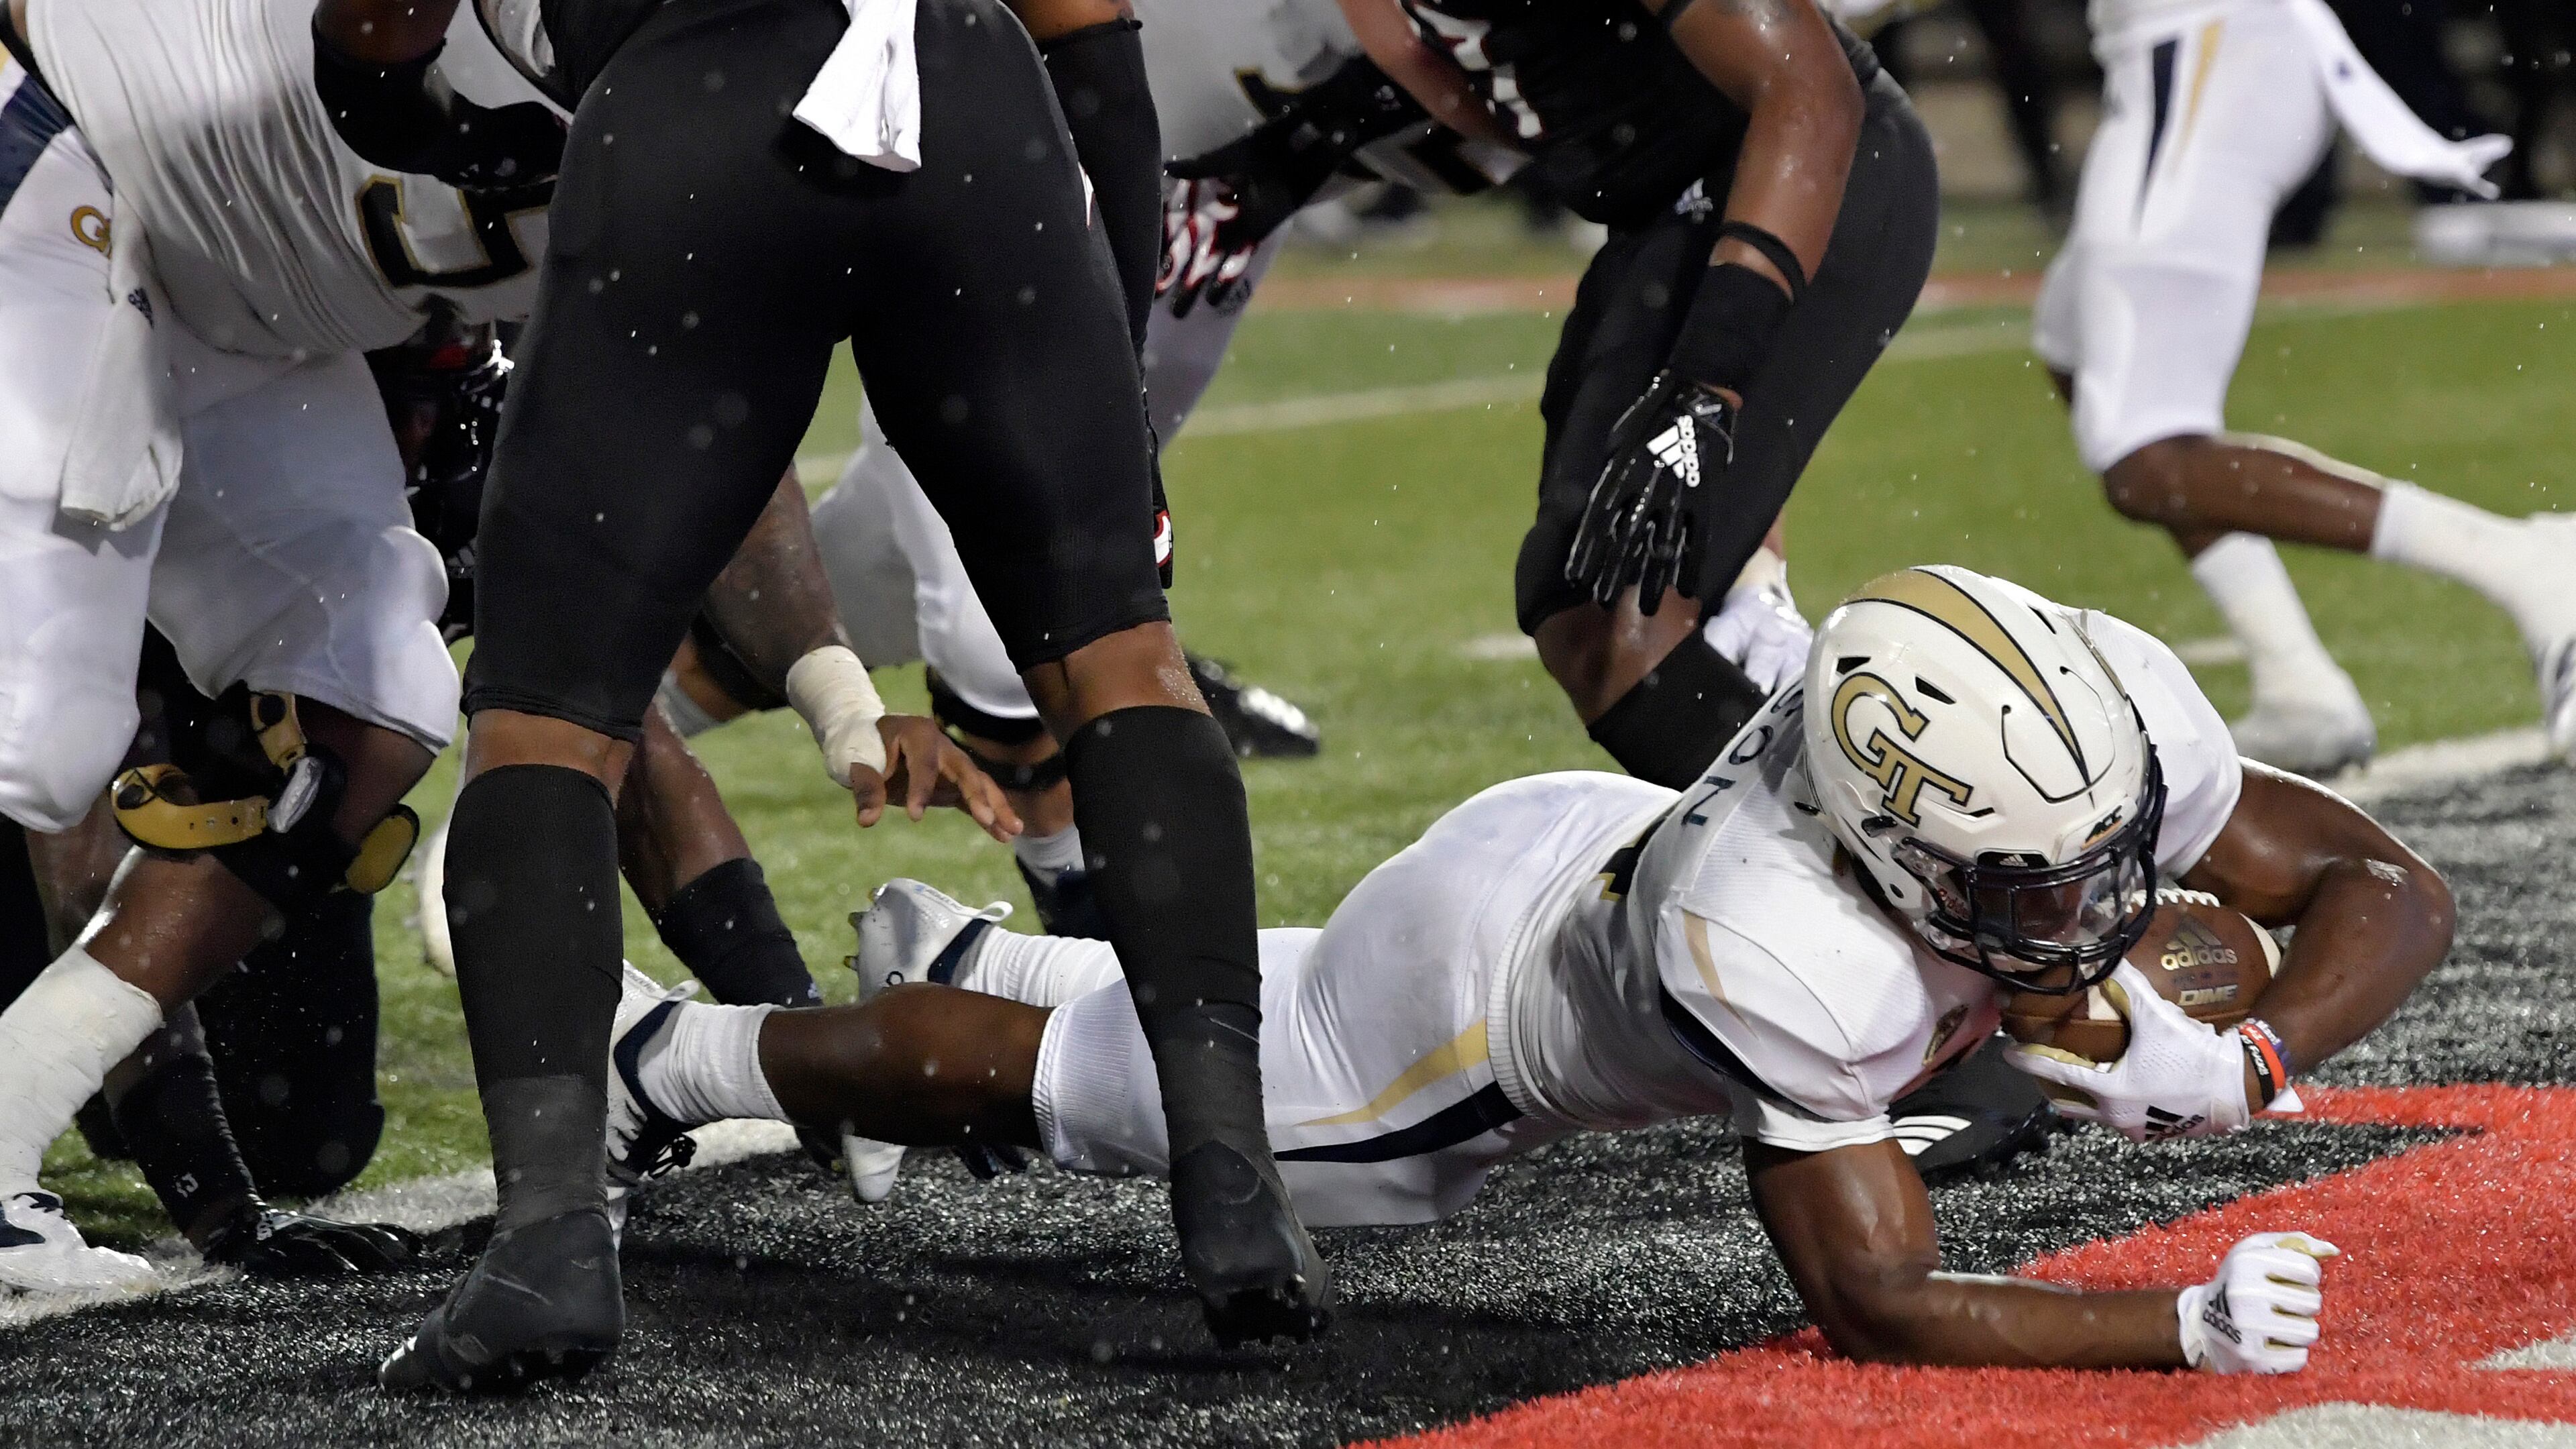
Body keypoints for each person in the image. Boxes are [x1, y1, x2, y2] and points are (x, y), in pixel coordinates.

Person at [607, 564, 2457, 1373]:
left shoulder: (2091, 729)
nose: (2106, 897)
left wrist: (2254, 1061)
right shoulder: (1790, 952)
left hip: (1559, 847)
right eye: (2033, 883)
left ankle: (967, 951)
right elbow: (1876, 1303)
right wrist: (2174, 1325)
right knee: (1123, 1099)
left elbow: (2382, 880)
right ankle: (673, 1060)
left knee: (1224, 1007)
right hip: (1474, 1022)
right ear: (1900, 850)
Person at [316, 0, 1340, 1390]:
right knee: (1119, 660)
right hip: (975, 108)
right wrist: (1113, 388)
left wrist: (417, 117)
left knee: (548, 718)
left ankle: (551, 1241)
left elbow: (379, 35)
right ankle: (1232, 1174)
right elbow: (1094, 45)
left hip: (690, 115)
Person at [2033, 0, 2570, 777]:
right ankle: (2297, 683)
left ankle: (2529, 563)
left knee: (2145, 456)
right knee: (2074, 344)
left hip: (2202, 49)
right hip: (2196, 54)